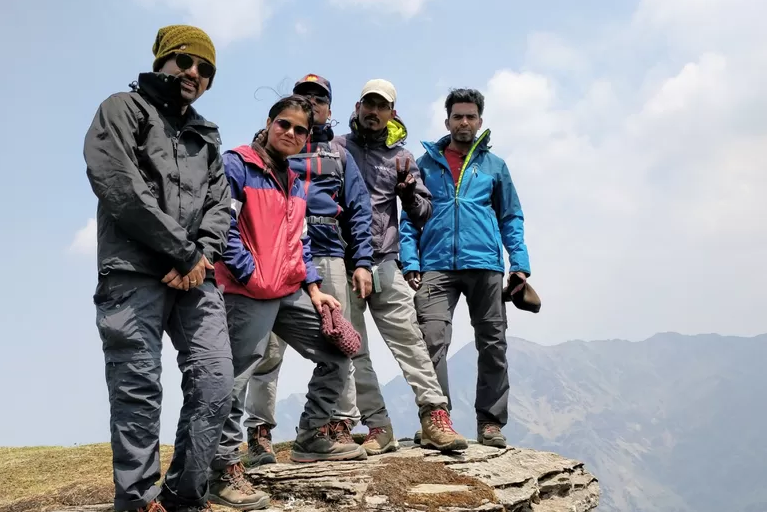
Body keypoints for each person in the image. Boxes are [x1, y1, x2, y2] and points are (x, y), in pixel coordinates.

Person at [83, 25, 242, 512]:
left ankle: (185, 498)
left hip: (194, 276)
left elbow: (223, 204)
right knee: (137, 387)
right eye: (185, 62)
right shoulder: (122, 109)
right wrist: (179, 251)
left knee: (218, 379)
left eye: (205, 69)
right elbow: (117, 183)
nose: (194, 74)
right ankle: (142, 508)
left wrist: (198, 254)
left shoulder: (207, 138)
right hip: (133, 271)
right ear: (162, 60)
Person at [216, 95, 367, 469]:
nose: (291, 133)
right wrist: (250, 273)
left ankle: (312, 436)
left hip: (288, 291)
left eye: (301, 130)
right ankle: (222, 466)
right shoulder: (237, 165)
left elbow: (298, 240)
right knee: (235, 377)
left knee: (337, 352)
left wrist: (314, 289)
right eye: (284, 124)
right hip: (245, 291)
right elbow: (222, 227)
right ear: (269, 124)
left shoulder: (295, 181)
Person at [337, 80, 467, 453]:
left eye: (382, 107)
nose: (374, 112)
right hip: (344, 263)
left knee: (411, 341)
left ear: (392, 113)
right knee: (352, 349)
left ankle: (434, 417)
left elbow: (424, 211)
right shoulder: (337, 148)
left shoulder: (401, 157)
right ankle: (378, 425)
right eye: (369, 104)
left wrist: (409, 190)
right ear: (359, 105)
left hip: (385, 260)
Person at [400, 88, 531, 448]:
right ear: (447, 121)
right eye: (458, 116)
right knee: (430, 341)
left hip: (486, 263)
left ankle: (489, 422)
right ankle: (435, 418)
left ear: (480, 122)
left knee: (493, 344)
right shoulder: (425, 164)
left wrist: (519, 264)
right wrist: (410, 261)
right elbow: (410, 218)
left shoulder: (495, 166)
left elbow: (511, 217)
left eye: (470, 116)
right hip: (435, 265)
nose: (464, 122)